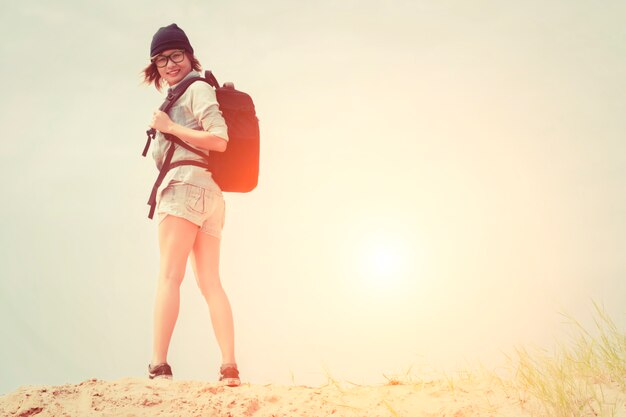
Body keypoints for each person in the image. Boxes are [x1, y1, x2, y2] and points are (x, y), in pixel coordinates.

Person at [142, 23, 240, 387]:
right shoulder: (186, 91)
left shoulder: (196, 88)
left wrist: (170, 126)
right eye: (161, 59)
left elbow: (219, 139)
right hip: (210, 195)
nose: (169, 64)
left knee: (169, 276)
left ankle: (159, 366)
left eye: (176, 55)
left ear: (189, 55)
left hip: (185, 189)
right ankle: (229, 367)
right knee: (211, 282)